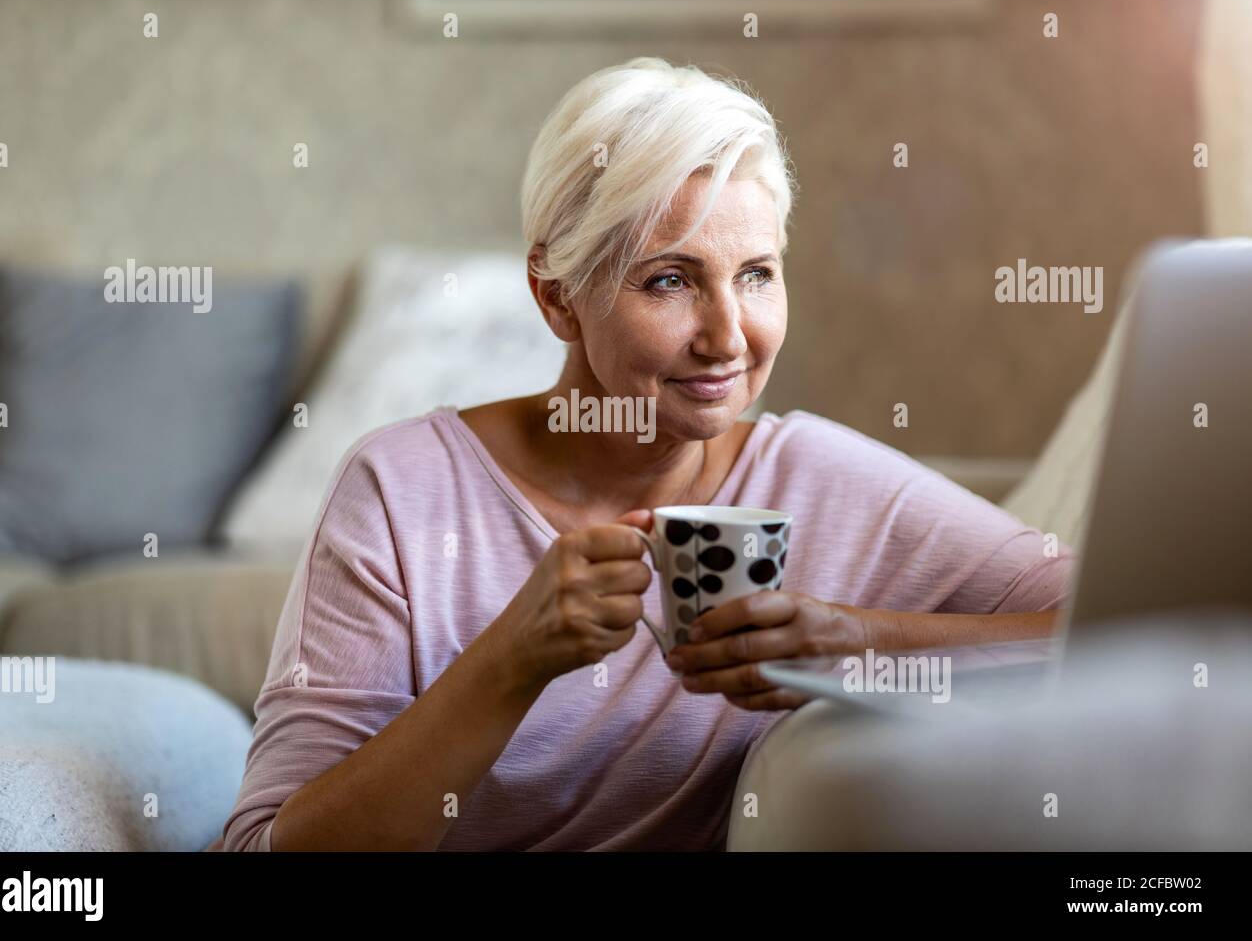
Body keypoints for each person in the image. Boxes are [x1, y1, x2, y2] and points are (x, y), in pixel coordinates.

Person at [222, 57, 1073, 851]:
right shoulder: (403, 490)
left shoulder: (819, 478)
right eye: (669, 280)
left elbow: (1130, 621)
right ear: (557, 299)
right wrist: (511, 659)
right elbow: (268, 846)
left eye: (756, 274)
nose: (730, 338)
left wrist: (856, 640)